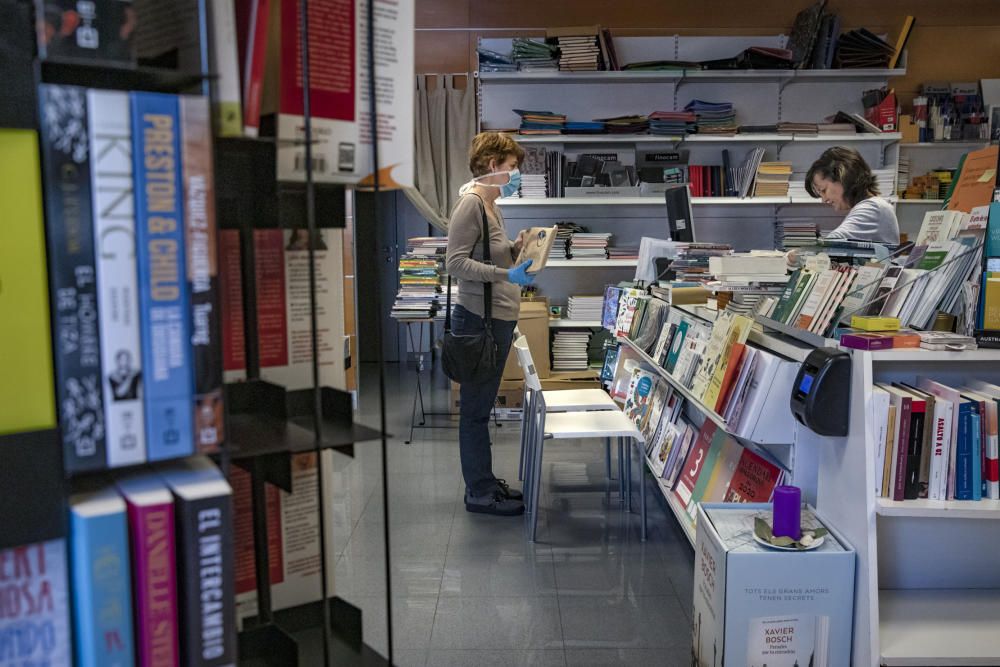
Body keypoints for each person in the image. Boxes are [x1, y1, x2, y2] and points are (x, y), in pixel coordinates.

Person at [446, 132, 534, 516]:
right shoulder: (471, 205)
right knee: (476, 410)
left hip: (495, 318)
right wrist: (505, 274)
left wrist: (516, 249)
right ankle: (479, 493)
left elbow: (489, 253)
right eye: (512, 167)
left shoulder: (493, 206)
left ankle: (483, 483)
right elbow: (456, 263)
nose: (515, 175)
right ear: (493, 165)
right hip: (478, 319)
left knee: (481, 409)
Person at [805, 146, 900, 243]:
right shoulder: (872, 206)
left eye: (823, 190)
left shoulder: (873, 208)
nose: (824, 200)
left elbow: (832, 242)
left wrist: (796, 254)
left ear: (843, 177)